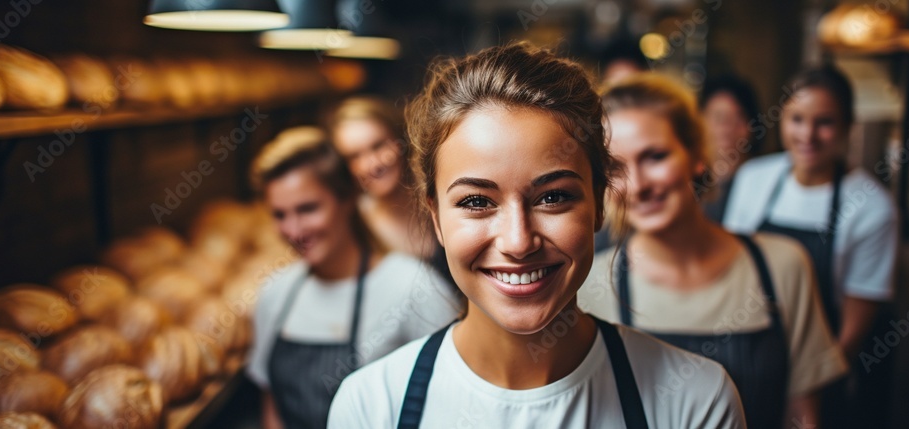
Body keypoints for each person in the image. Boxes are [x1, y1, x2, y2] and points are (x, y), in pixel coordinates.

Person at [329, 43, 746, 428]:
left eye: (552, 197)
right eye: (477, 202)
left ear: (599, 203)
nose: (518, 241)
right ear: (435, 216)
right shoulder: (372, 406)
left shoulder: (696, 399)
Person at [577, 73, 847, 428]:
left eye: (655, 157)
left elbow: (802, 416)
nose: (638, 185)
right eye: (616, 168)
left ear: (696, 156)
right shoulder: (590, 287)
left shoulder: (782, 265)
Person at [245, 127, 461, 429]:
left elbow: (457, 398)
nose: (293, 231)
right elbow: (273, 409)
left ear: (347, 199)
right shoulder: (275, 293)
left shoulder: (413, 288)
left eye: (307, 209)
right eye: (280, 215)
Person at [723, 66, 899, 428]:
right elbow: (730, 273)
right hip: (746, 356)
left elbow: (852, 332)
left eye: (825, 122)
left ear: (849, 126)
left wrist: (802, 389)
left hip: (823, 375)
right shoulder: (754, 178)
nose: (808, 134)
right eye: (797, 119)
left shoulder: (872, 206)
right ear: (782, 119)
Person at [329, 97, 453, 283]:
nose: (371, 165)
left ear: (399, 141)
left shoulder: (439, 189)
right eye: (354, 157)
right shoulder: (354, 230)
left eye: (378, 145)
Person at [697, 75, 762, 223]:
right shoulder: (686, 182)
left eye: (737, 118)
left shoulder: (762, 185)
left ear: (752, 127)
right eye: (718, 118)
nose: (726, 128)